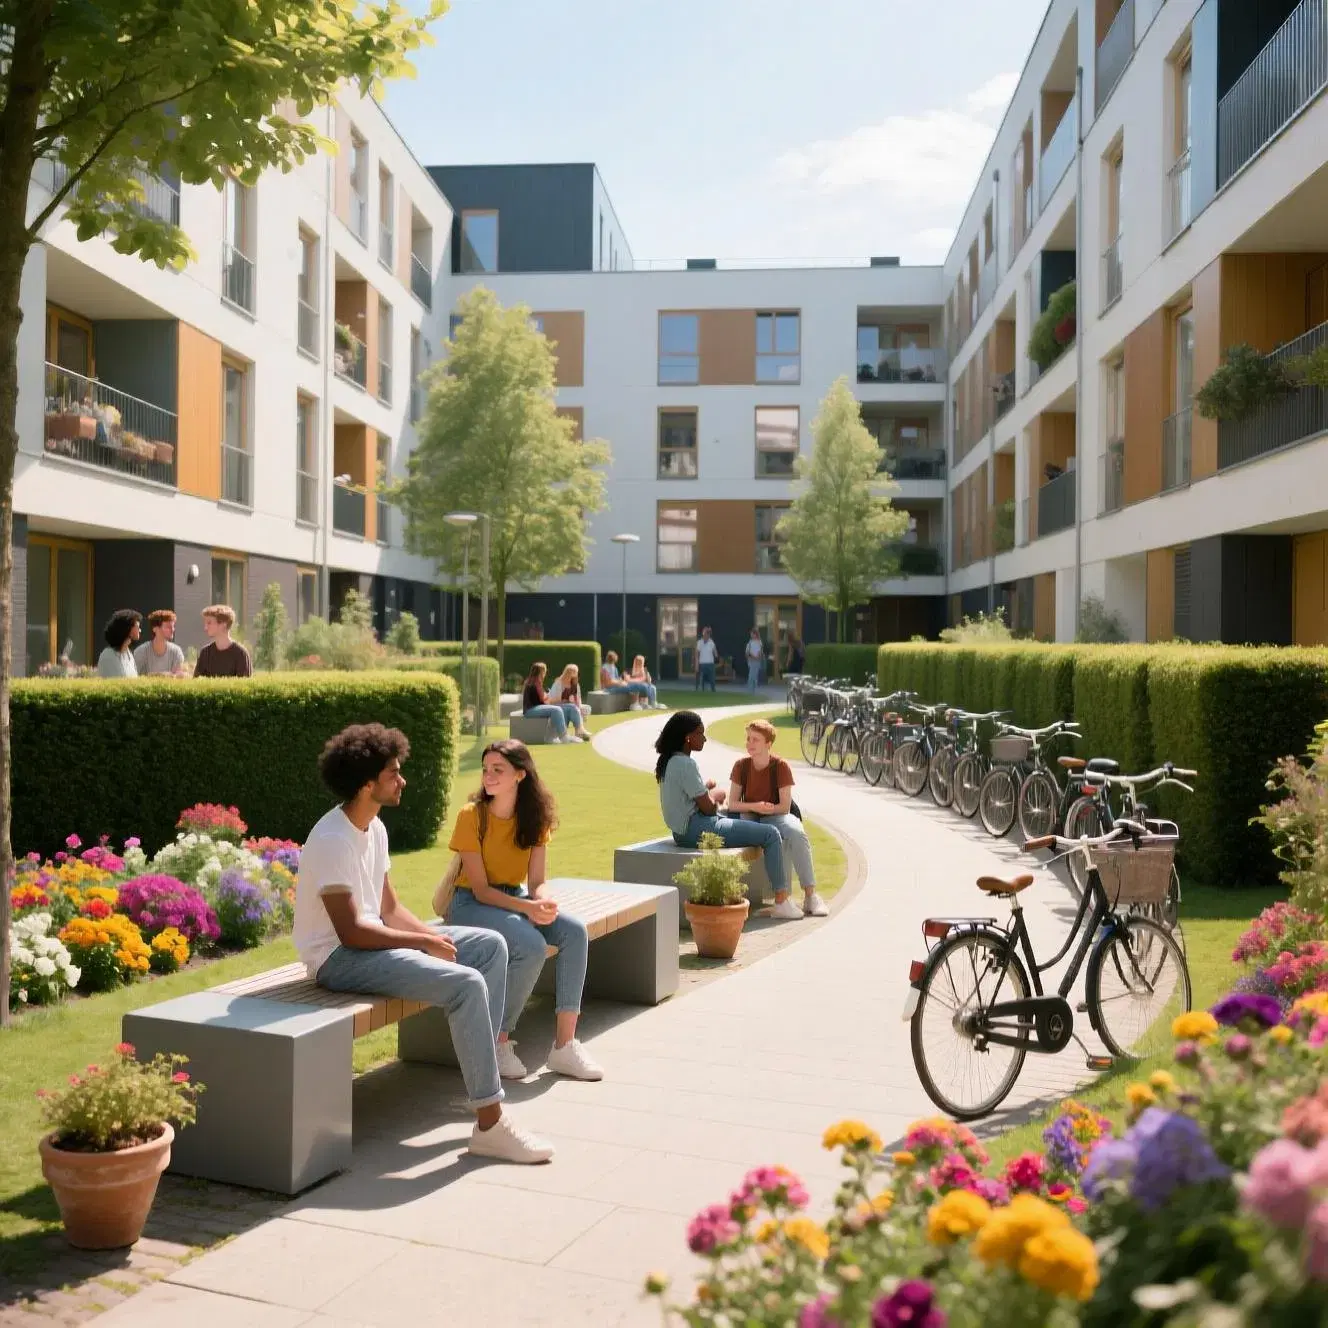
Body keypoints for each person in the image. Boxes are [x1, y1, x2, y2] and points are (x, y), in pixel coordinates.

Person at [295, 723, 554, 1164]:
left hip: (372, 943)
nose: (403, 780)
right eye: (394, 772)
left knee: (490, 946)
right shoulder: (332, 839)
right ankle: (491, 1123)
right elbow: (352, 931)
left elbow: (390, 909)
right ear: (366, 783)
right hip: (337, 959)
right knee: (467, 984)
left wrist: (432, 936)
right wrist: (421, 943)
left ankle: (481, 1073)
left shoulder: (372, 828)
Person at [446, 739, 602, 1082]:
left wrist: (543, 902)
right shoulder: (471, 816)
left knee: (574, 932)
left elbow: (537, 882)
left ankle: (564, 1046)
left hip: (515, 899)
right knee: (530, 945)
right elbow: (483, 890)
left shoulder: (535, 817)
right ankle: (498, 1042)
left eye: (497, 770)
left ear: (520, 774)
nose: (488, 776)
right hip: (470, 904)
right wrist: (527, 908)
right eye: (486, 769)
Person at [653, 711, 786, 909]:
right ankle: (782, 901)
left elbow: (685, 795)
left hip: (683, 831)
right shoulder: (685, 763)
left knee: (735, 813)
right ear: (688, 738)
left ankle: (750, 832)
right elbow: (707, 809)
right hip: (697, 829)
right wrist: (716, 794)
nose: (704, 738)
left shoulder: (669, 761)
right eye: (700, 734)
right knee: (771, 834)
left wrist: (705, 788)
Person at [728, 720, 828, 919]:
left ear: (768, 744)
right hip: (750, 817)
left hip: (776, 815)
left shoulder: (780, 766)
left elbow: (784, 806)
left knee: (797, 833)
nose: (750, 743)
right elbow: (732, 804)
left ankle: (810, 896)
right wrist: (754, 807)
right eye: (748, 738)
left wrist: (767, 809)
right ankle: (781, 900)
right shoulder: (741, 766)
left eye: (755, 739)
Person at [521, 662, 586, 744]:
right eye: (544, 671)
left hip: (536, 707)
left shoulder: (535, 681)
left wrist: (547, 696)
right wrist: (549, 697)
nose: (545, 673)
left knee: (570, 706)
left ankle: (579, 729)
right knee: (557, 709)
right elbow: (542, 699)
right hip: (530, 710)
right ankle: (564, 737)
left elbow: (540, 696)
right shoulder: (535, 682)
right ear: (541, 672)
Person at [193, 605, 253, 678]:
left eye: (209, 623)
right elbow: (197, 683)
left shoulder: (240, 654)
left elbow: (244, 686)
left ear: (223, 624)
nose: (205, 628)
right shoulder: (205, 653)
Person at [133, 609, 187, 676]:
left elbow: (178, 678)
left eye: (173, 626)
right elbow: (134, 677)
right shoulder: (141, 652)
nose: (172, 630)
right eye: (168, 627)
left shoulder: (176, 651)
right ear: (155, 629)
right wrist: (162, 675)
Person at [97, 609, 141, 678]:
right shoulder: (108, 656)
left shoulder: (129, 654)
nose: (140, 630)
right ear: (127, 628)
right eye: (137, 627)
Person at [695, 627, 718, 692]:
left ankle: (713, 691)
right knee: (700, 679)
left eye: (707, 633)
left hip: (710, 664)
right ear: (703, 634)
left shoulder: (711, 642)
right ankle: (699, 691)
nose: (706, 635)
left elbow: (716, 654)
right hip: (702, 664)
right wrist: (696, 664)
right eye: (705, 633)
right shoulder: (699, 642)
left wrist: (715, 649)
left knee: (712, 680)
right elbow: (697, 654)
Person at [744, 629, 765, 693]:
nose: (751, 635)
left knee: (753, 676)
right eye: (751, 634)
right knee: (752, 676)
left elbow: (760, 651)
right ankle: (751, 690)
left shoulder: (759, 642)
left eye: (752, 634)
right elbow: (747, 652)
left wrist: (758, 656)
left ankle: (751, 691)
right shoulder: (750, 642)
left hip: (757, 661)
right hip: (751, 660)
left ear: (755, 634)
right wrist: (752, 656)